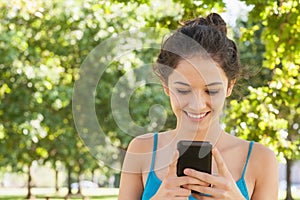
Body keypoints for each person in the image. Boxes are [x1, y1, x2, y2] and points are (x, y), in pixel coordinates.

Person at [118, 13, 278, 200]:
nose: (197, 104)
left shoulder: (260, 160)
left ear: (229, 86)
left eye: (211, 91)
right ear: (166, 87)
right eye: (184, 90)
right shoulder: (142, 150)